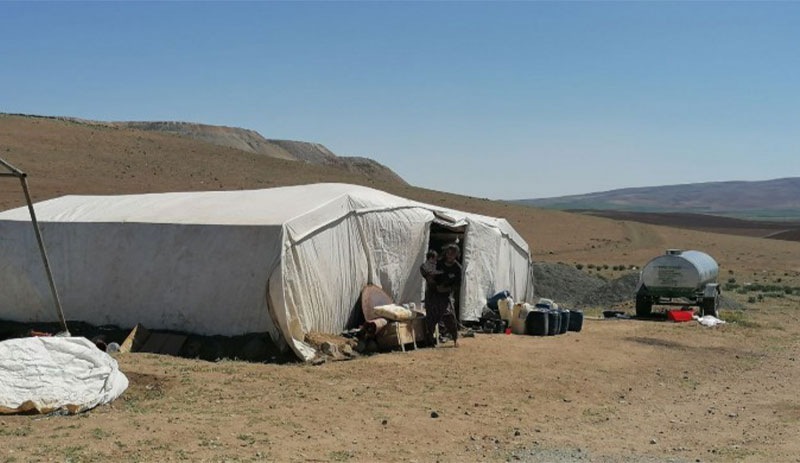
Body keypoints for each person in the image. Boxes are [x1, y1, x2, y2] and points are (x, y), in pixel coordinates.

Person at [424, 243, 461, 347]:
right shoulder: (438, 263)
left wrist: (447, 289)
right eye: (448, 253)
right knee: (431, 317)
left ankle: (455, 339)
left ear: (456, 255)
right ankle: (430, 340)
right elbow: (428, 274)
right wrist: (435, 285)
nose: (450, 256)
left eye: (453, 254)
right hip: (433, 293)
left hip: (445, 295)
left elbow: (457, 285)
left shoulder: (457, 268)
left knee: (449, 316)